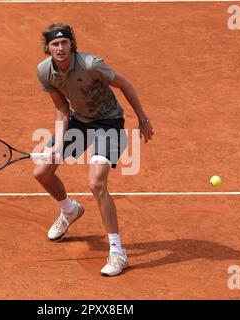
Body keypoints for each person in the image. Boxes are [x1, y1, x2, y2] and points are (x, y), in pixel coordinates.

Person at [34, 23, 153, 277]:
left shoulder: (90, 64)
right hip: (79, 121)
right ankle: (70, 210)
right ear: (48, 48)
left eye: (64, 43)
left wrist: (142, 120)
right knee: (42, 172)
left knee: (96, 184)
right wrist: (57, 144)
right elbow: (62, 108)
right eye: (55, 44)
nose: (61, 48)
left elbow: (125, 84)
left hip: (108, 122)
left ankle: (117, 253)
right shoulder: (45, 72)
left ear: (71, 44)